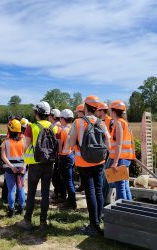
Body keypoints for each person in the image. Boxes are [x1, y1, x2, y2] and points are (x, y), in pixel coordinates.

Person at [65, 95, 111, 236]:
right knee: (98, 191)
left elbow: (71, 143)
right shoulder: (101, 122)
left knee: (90, 192)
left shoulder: (78, 122)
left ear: (85, 106)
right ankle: (97, 220)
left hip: (84, 162)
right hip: (99, 162)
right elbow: (108, 144)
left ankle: (94, 226)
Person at [16, 101, 58, 230]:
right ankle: (43, 222)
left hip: (35, 164)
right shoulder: (54, 127)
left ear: (36, 113)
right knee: (45, 193)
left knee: (32, 193)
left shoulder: (31, 127)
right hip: (49, 164)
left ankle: (27, 220)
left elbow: (26, 145)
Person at [108, 100, 136, 201]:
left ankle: (122, 211)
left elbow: (119, 144)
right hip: (125, 159)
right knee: (125, 186)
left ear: (114, 111)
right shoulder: (125, 123)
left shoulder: (119, 123)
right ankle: (130, 209)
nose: (109, 112)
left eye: (110, 110)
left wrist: (115, 162)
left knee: (120, 187)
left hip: (119, 159)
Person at [1, 119, 26, 217]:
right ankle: (21, 209)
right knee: (21, 189)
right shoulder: (24, 141)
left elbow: (3, 157)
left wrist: (11, 167)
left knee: (11, 190)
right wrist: (24, 166)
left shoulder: (5, 142)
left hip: (9, 169)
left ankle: (11, 211)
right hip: (21, 169)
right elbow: (27, 156)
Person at [57, 109, 76, 210]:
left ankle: (72, 203)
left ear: (63, 119)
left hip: (64, 157)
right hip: (72, 155)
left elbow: (60, 148)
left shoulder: (63, 131)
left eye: (60, 118)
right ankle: (71, 201)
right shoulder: (73, 128)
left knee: (67, 181)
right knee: (70, 180)